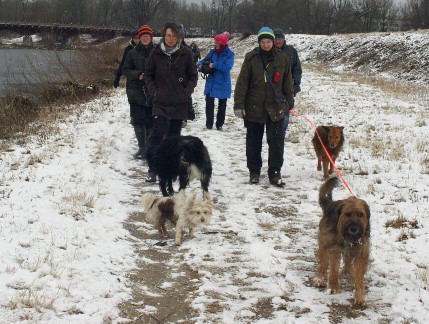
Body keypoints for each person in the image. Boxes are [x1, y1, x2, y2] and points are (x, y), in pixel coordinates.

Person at [233, 27, 294, 187]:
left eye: (268, 41)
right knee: (253, 142)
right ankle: (254, 171)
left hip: (276, 107)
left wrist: (290, 101)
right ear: (259, 42)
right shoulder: (251, 58)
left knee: (276, 142)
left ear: (273, 42)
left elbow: (288, 82)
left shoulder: (283, 58)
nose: (266, 45)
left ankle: (275, 173)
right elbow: (242, 83)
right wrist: (239, 104)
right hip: (254, 107)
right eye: (263, 42)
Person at [144, 22, 198, 182]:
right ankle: (153, 169)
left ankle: (170, 169)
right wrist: (154, 92)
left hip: (178, 103)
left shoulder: (186, 53)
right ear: (163, 35)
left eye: (174, 36)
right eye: (168, 35)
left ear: (178, 37)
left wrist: (185, 92)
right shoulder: (156, 53)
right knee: (157, 134)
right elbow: (148, 75)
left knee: (174, 139)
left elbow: (193, 76)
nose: (170, 38)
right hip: (160, 102)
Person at [122, 25, 155, 159]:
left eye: (147, 36)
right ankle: (142, 148)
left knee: (151, 122)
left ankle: (150, 148)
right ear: (139, 38)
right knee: (138, 122)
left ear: (151, 38)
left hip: (153, 92)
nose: (145, 38)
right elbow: (126, 69)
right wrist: (137, 75)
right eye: (143, 36)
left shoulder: (157, 52)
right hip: (136, 92)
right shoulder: (132, 53)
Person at [197, 31, 234, 130]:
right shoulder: (212, 52)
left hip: (223, 82)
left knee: (222, 105)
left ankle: (219, 124)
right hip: (212, 81)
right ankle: (209, 124)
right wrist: (199, 64)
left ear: (221, 43)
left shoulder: (229, 54)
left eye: (216, 42)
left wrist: (214, 64)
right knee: (209, 102)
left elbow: (227, 67)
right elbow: (204, 60)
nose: (214, 44)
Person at [273, 28, 302, 96]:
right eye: (275, 39)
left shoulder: (291, 51)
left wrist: (296, 84)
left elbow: (297, 69)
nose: (277, 41)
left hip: (288, 85)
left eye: (279, 39)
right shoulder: (268, 51)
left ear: (283, 39)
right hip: (272, 86)